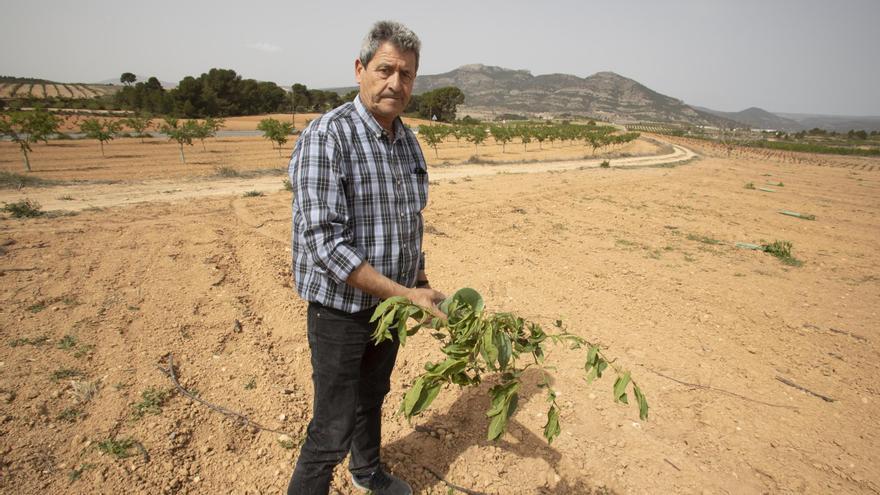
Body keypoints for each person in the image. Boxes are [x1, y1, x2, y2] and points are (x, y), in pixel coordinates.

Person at [286, 20, 445, 495]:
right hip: (339, 311)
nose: (395, 83)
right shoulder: (327, 137)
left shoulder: (408, 142)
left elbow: (409, 223)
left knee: (372, 397)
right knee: (331, 426)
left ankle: (367, 472)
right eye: (385, 69)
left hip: (390, 307)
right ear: (360, 70)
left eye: (407, 74)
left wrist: (417, 280)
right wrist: (406, 295)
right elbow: (325, 245)